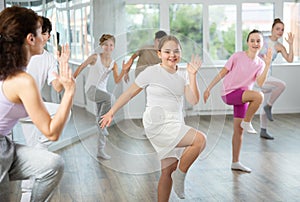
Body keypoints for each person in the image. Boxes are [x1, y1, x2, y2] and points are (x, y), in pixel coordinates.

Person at [100, 35, 207, 201]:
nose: (172, 55)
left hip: (176, 121)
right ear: (159, 54)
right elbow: (129, 93)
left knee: (167, 170)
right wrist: (111, 112)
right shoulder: (151, 72)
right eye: (167, 51)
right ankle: (181, 174)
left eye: (176, 51)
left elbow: (193, 100)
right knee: (200, 140)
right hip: (157, 123)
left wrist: (192, 76)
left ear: (181, 53)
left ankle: (174, 177)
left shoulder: (185, 73)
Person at [0, 6, 75, 202]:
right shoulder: (21, 79)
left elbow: (56, 86)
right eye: (41, 31)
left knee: (52, 164)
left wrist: (62, 68)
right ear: (30, 39)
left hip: (5, 145)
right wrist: (70, 91)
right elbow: (52, 132)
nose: (46, 37)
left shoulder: (15, 68)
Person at [203, 30, 272, 173]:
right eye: (252, 40)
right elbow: (223, 72)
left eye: (258, 41)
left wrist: (267, 64)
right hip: (229, 93)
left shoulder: (260, 63)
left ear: (262, 44)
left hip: (243, 96)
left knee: (238, 131)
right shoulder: (237, 56)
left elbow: (260, 82)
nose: (255, 43)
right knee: (259, 96)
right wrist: (208, 88)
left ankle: (235, 162)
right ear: (247, 42)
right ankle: (247, 122)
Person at [19, 16, 69, 199]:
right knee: (36, 149)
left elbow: (56, 86)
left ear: (47, 35)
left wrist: (63, 70)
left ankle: (27, 194)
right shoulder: (19, 51)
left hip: (34, 108)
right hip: (17, 104)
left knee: (35, 148)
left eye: (40, 32)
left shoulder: (48, 58)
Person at [73, 34, 129, 160]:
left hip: (101, 94)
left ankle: (100, 151)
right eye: (105, 45)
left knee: (103, 121)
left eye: (111, 45)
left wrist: (124, 71)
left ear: (113, 47)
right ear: (101, 46)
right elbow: (81, 66)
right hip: (91, 90)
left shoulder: (113, 64)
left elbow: (117, 80)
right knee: (110, 98)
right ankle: (101, 126)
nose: (108, 47)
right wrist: (72, 80)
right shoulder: (95, 57)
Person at [258, 18, 294, 140]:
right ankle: (268, 106)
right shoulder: (263, 40)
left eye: (282, 30)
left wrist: (290, 45)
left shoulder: (279, 46)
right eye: (277, 29)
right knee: (282, 85)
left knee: (265, 103)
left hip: (267, 76)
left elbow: (289, 60)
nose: (280, 31)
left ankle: (263, 130)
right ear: (272, 29)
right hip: (258, 76)